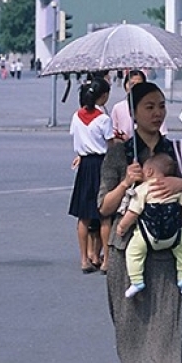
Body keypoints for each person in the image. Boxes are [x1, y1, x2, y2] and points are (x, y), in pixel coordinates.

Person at [97, 81, 182, 363]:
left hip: (168, 253)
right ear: (133, 112)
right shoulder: (117, 154)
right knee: (129, 329)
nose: (157, 112)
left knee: (167, 330)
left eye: (161, 105)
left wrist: (180, 183)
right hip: (124, 252)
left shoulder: (178, 147)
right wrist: (124, 183)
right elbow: (104, 207)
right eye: (149, 106)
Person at [115, 152, 182, 298]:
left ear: (149, 171)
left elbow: (133, 212)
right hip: (174, 235)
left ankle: (136, 281)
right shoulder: (175, 188)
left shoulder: (143, 189)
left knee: (133, 253)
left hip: (147, 235)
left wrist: (121, 227)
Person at [68, 78, 114, 274]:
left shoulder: (76, 116)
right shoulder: (103, 119)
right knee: (104, 215)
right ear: (102, 96)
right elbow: (110, 145)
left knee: (84, 215)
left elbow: (77, 138)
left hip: (85, 164)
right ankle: (106, 261)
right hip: (101, 164)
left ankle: (84, 259)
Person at [110, 70, 168, 140]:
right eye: (131, 84)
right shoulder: (118, 108)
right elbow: (112, 131)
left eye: (139, 84)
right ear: (125, 85)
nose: (135, 87)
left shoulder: (154, 108)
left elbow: (162, 133)